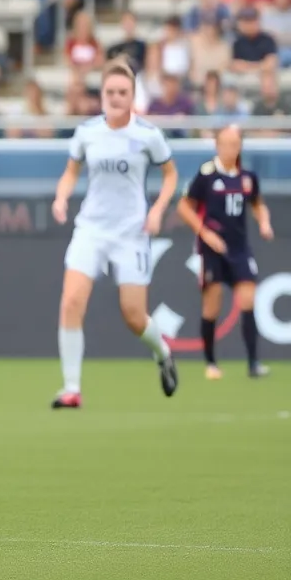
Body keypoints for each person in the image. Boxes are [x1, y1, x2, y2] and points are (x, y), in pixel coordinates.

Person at [51, 59, 180, 408]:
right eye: (110, 92)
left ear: (133, 95)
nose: (116, 97)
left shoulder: (148, 135)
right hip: (91, 228)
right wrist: (62, 197)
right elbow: (70, 171)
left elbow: (170, 175)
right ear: (103, 94)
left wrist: (157, 210)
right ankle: (72, 388)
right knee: (71, 301)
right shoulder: (88, 132)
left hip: (131, 233)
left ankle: (163, 353)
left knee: (134, 316)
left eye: (123, 92)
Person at [176, 125, 274, 379]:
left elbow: (258, 204)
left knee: (248, 299)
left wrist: (264, 222)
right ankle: (210, 362)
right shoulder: (207, 175)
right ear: (217, 146)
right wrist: (205, 233)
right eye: (225, 143)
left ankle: (253, 363)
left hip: (240, 248)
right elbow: (184, 207)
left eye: (234, 143)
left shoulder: (248, 177)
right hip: (212, 250)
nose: (230, 148)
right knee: (213, 304)